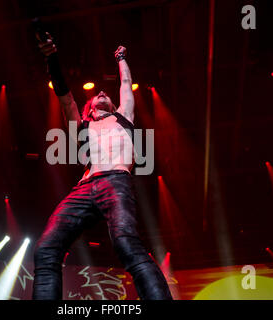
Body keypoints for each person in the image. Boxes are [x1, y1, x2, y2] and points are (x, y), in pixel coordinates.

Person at [32, 33, 172, 300]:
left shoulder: (123, 117)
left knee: (126, 243)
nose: (102, 92)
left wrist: (121, 59)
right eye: (97, 95)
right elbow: (64, 96)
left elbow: (127, 83)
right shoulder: (82, 127)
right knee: (46, 249)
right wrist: (51, 57)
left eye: (105, 92)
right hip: (85, 187)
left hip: (116, 181)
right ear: (90, 108)